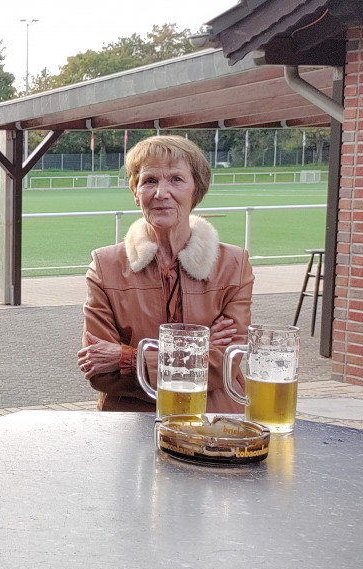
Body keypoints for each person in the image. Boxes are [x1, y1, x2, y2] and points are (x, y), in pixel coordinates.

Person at [78, 134, 252, 412]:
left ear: (196, 189)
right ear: (135, 192)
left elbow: (223, 366)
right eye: (149, 181)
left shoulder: (234, 264)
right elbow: (101, 374)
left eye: (176, 179)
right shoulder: (104, 266)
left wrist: (126, 357)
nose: (161, 193)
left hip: (214, 421)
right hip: (131, 423)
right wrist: (199, 348)